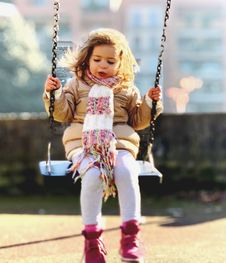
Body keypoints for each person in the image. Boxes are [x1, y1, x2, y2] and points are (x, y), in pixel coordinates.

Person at [43, 28, 162, 263]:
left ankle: (130, 237)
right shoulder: (76, 85)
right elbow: (62, 113)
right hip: (82, 143)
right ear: (87, 59)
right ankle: (92, 242)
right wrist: (52, 94)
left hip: (120, 143)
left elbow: (138, 121)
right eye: (97, 59)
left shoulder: (127, 90)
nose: (103, 65)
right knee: (93, 175)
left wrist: (151, 102)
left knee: (126, 171)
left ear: (121, 63)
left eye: (110, 61)